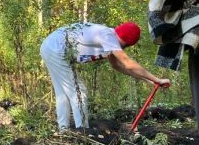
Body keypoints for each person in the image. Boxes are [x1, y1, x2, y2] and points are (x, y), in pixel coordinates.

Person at [40, 22, 171, 129]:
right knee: (79, 91)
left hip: (50, 46)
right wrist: (156, 79)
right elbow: (127, 63)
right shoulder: (108, 36)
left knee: (62, 93)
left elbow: (118, 66)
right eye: (125, 46)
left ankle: (64, 130)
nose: (123, 49)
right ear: (125, 40)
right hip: (55, 48)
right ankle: (82, 131)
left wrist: (148, 80)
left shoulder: (108, 38)